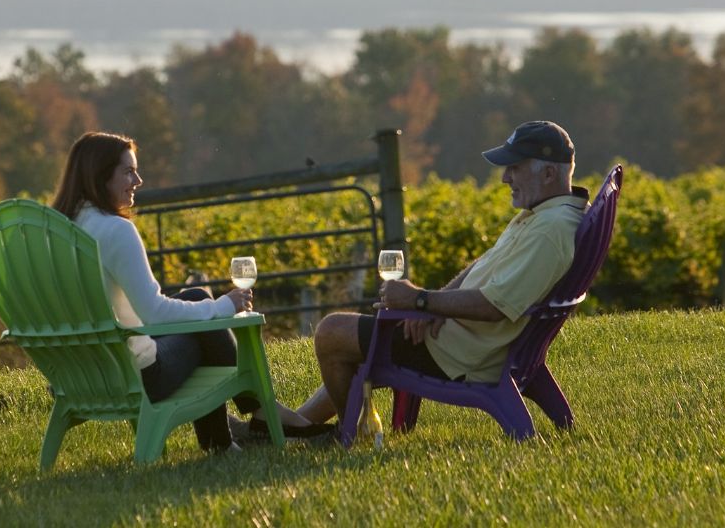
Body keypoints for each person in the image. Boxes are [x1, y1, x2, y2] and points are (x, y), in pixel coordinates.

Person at [52, 131, 333, 453]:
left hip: (73, 375)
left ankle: (231, 436)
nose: (138, 180)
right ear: (99, 175)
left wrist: (209, 305)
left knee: (195, 297)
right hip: (133, 378)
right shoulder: (114, 229)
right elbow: (155, 314)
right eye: (128, 171)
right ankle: (258, 419)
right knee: (204, 319)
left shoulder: (53, 231)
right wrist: (224, 306)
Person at [296, 121, 591, 425]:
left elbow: (494, 307)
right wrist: (434, 304)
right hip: (454, 336)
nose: (505, 177)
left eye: (514, 167)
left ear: (549, 173)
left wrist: (420, 302)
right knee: (351, 340)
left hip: (456, 354)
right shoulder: (544, 214)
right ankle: (296, 424)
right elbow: (482, 266)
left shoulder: (548, 231)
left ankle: (349, 433)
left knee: (332, 332)